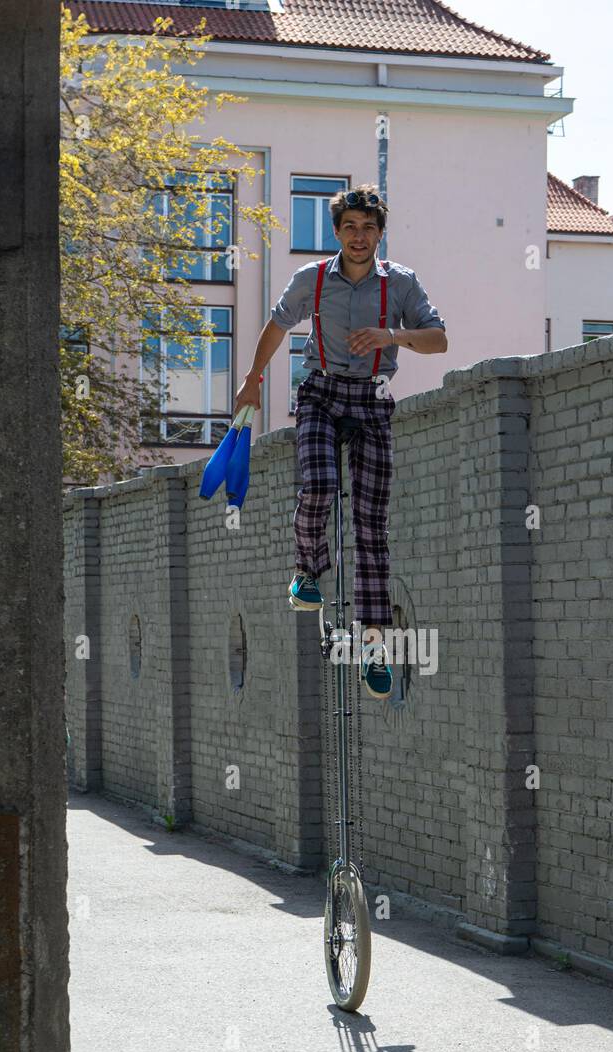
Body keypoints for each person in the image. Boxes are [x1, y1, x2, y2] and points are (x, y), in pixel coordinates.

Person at [233, 184, 448, 697]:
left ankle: (373, 648)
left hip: (373, 401)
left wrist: (391, 337)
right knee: (320, 487)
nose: (359, 236)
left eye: (368, 228)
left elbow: (439, 340)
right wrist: (252, 380)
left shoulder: (400, 285)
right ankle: (307, 570)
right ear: (336, 232)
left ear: (380, 233)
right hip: (322, 396)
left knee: (372, 530)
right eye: (349, 227)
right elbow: (276, 326)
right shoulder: (312, 280)